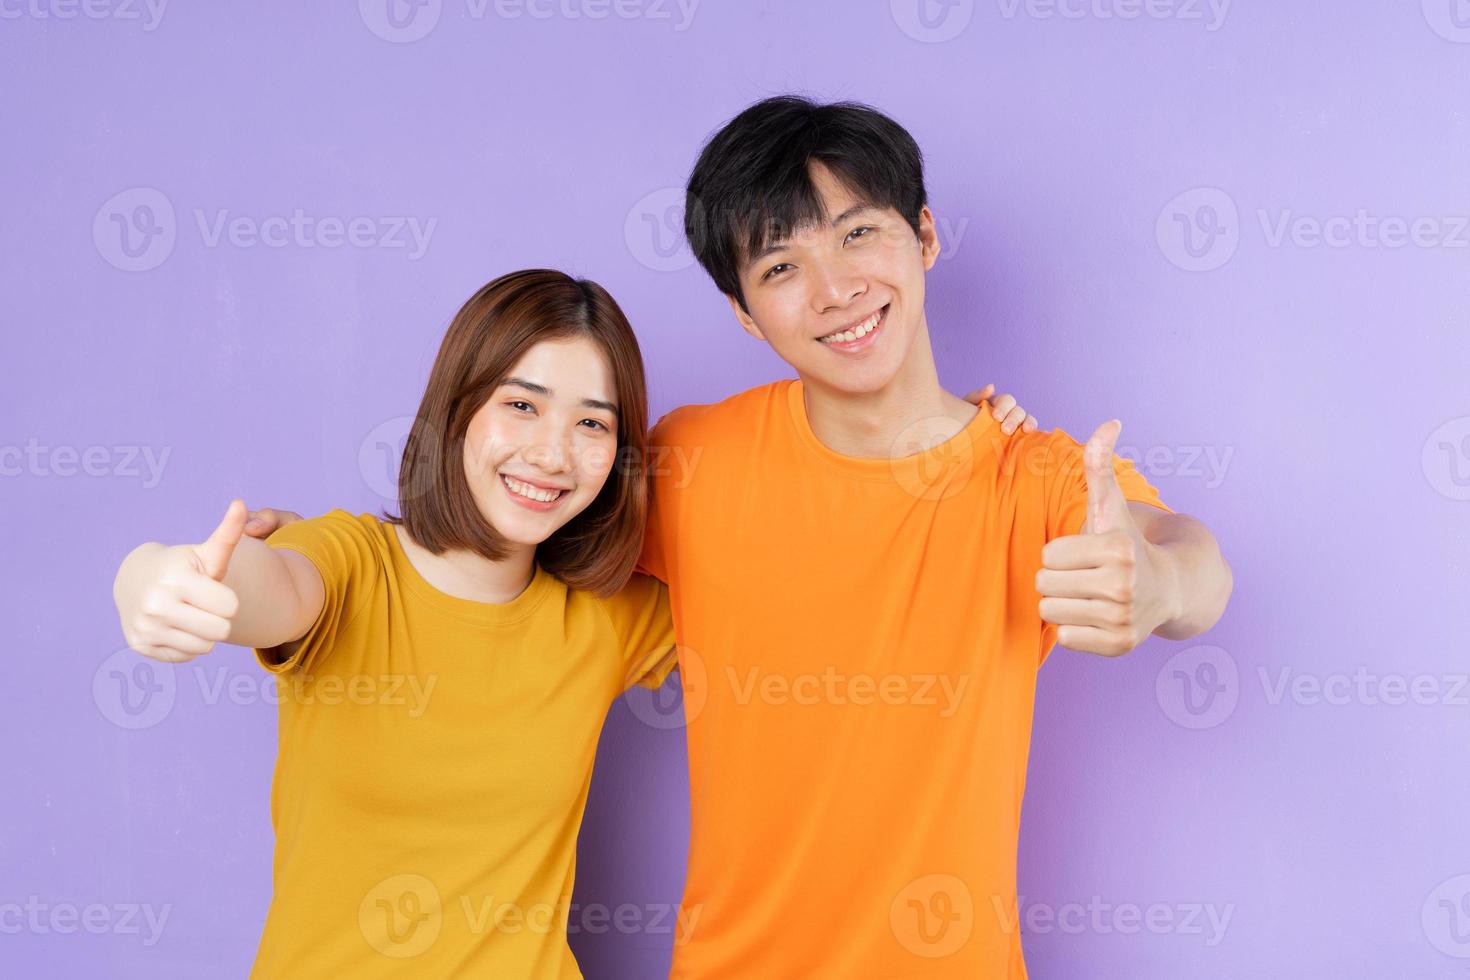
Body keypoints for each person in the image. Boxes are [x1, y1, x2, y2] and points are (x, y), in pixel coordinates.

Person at [241, 96, 1231, 980]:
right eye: (782, 265)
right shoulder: (687, 460)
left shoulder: (1041, 475)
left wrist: (1156, 579)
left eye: (859, 234)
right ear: (745, 314)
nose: (835, 287)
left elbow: (1191, 557)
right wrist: (305, 565)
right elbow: (506, 532)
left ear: (924, 236)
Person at [111, 270, 683, 978]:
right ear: (458, 407)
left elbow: (802, 595)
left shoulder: (608, 616)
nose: (552, 454)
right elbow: (261, 583)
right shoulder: (350, 564)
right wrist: (152, 573)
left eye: (592, 422)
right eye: (521, 405)